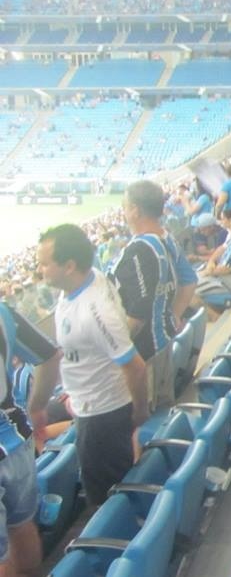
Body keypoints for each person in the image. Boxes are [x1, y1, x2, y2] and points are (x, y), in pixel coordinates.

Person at [37, 224, 148, 507]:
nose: (40, 270)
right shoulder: (86, 280)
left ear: (69, 266)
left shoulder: (96, 312)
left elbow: (135, 366)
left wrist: (139, 412)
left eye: (45, 264)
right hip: (87, 403)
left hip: (102, 417)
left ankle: (119, 541)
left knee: (106, 497)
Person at [111, 181, 197, 410]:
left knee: (142, 417)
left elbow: (138, 314)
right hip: (162, 343)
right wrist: (173, 317)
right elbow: (189, 280)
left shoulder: (140, 249)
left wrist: (113, 350)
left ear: (136, 210)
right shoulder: (165, 238)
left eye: (125, 205)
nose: (124, 211)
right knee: (161, 410)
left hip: (142, 353)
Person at [0, 303, 59, 577]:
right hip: (16, 440)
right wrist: (36, 408)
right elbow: (50, 355)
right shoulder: (4, 311)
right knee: (22, 527)